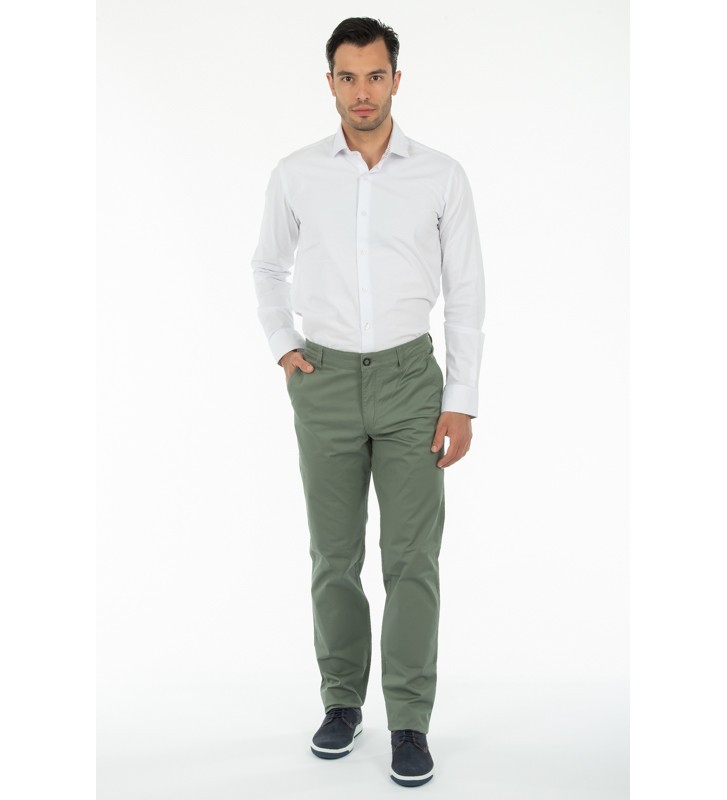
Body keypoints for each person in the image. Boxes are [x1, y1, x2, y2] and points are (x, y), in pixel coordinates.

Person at [251, 16, 485, 788]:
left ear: (395, 80)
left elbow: (465, 291)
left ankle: (409, 720)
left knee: (411, 558)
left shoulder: (440, 175)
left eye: (374, 76)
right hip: (321, 381)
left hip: (410, 381)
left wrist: (460, 399)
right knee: (333, 555)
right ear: (330, 83)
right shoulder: (296, 173)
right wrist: (284, 346)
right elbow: (267, 267)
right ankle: (342, 703)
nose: (361, 91)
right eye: (347, 77)